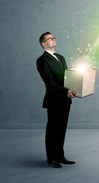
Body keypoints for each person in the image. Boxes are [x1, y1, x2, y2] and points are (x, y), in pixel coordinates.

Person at [36, 32, 76, 168]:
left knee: (62, 128)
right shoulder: (42, 60)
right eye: (50, 39)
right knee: (53, 129)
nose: (53, 39)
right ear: (43, 44)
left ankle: (60, 156)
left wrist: (74, 75)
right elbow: (49, 82)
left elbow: (66, 77)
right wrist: (66, 91)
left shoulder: (60, 57)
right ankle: (51, 158)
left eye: (54, 37)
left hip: (66, 99)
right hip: (54, 99)